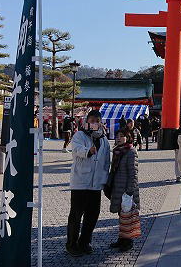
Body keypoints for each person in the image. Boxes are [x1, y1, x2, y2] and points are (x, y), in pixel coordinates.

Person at [67, 110, 111, 257]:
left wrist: (105, 180)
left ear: (100, 122)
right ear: (87, 121)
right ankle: (71, 244)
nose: (94, 123)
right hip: (80, 182)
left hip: (96, 184)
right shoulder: (80, 135)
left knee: (93, 214)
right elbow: (76, 150)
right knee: (76, 215)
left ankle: (84, 242)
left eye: (97, 120)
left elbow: (106, 162)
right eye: (92, 120)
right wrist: (88, 151)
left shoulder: (104, 139)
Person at [108, 128, 141, 252]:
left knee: (127, 216)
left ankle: (128, 241)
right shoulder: (118, 151)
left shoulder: (131, 151)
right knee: (121, 216)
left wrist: (129, 191)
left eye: (122, 136)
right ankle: (121, 239)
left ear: (128, 137)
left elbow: (134, 173)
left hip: (126, 189)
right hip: (118, 188)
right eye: (117, 136)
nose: (118, 138)